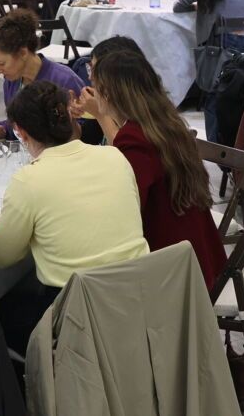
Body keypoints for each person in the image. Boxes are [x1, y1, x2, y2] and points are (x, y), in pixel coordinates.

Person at [0, 81, 148, 354]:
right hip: (137, 300)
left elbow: (3, 256)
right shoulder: (115, 156)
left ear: (21, 133)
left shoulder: (30, 180)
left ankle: (31, 393)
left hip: (76, 317)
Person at [77, 49, 224, 291]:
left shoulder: (135, 139)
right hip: (197, 247)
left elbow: (129, 208)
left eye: (96, 84)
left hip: (171, 265)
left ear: (109, 94)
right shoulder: (164, 121)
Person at [0, 9, 84, 139]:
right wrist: (1, 130)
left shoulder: (64, 80)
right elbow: (18, 124)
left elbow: (86, 133)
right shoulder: (11, 82)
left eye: (1, 63)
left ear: (23, 53)